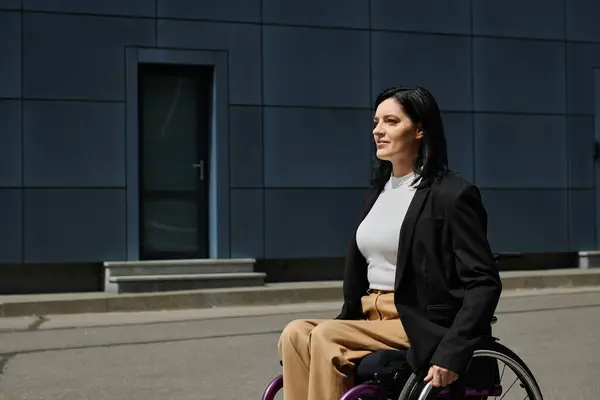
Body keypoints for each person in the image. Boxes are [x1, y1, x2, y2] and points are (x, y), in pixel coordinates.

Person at [277, 86, 502, 400]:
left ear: (420, 129)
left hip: (419, 319)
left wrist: (453, 351)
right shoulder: (379, 192)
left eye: (391, 121)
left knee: (327, 336)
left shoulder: (451, 194)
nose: (378, 131)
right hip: (370, 314)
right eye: (375, 122)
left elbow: (483, 282)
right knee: (295, 333)